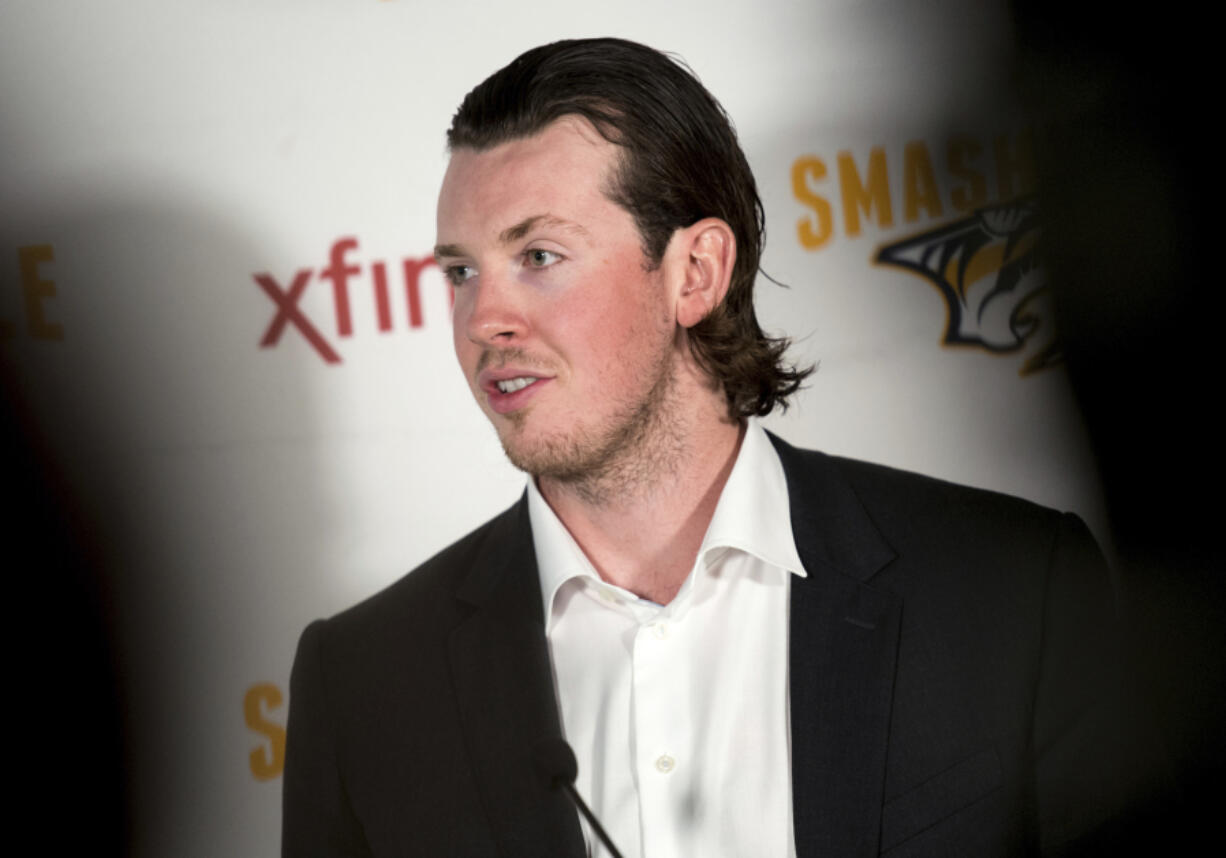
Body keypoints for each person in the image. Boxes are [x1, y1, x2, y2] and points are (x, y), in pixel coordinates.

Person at [283, 38, 1156, 857]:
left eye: (540, 255)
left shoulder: (1011, 588)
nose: (484, 320)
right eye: (461, 272)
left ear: (695, 272)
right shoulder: (364, 683)